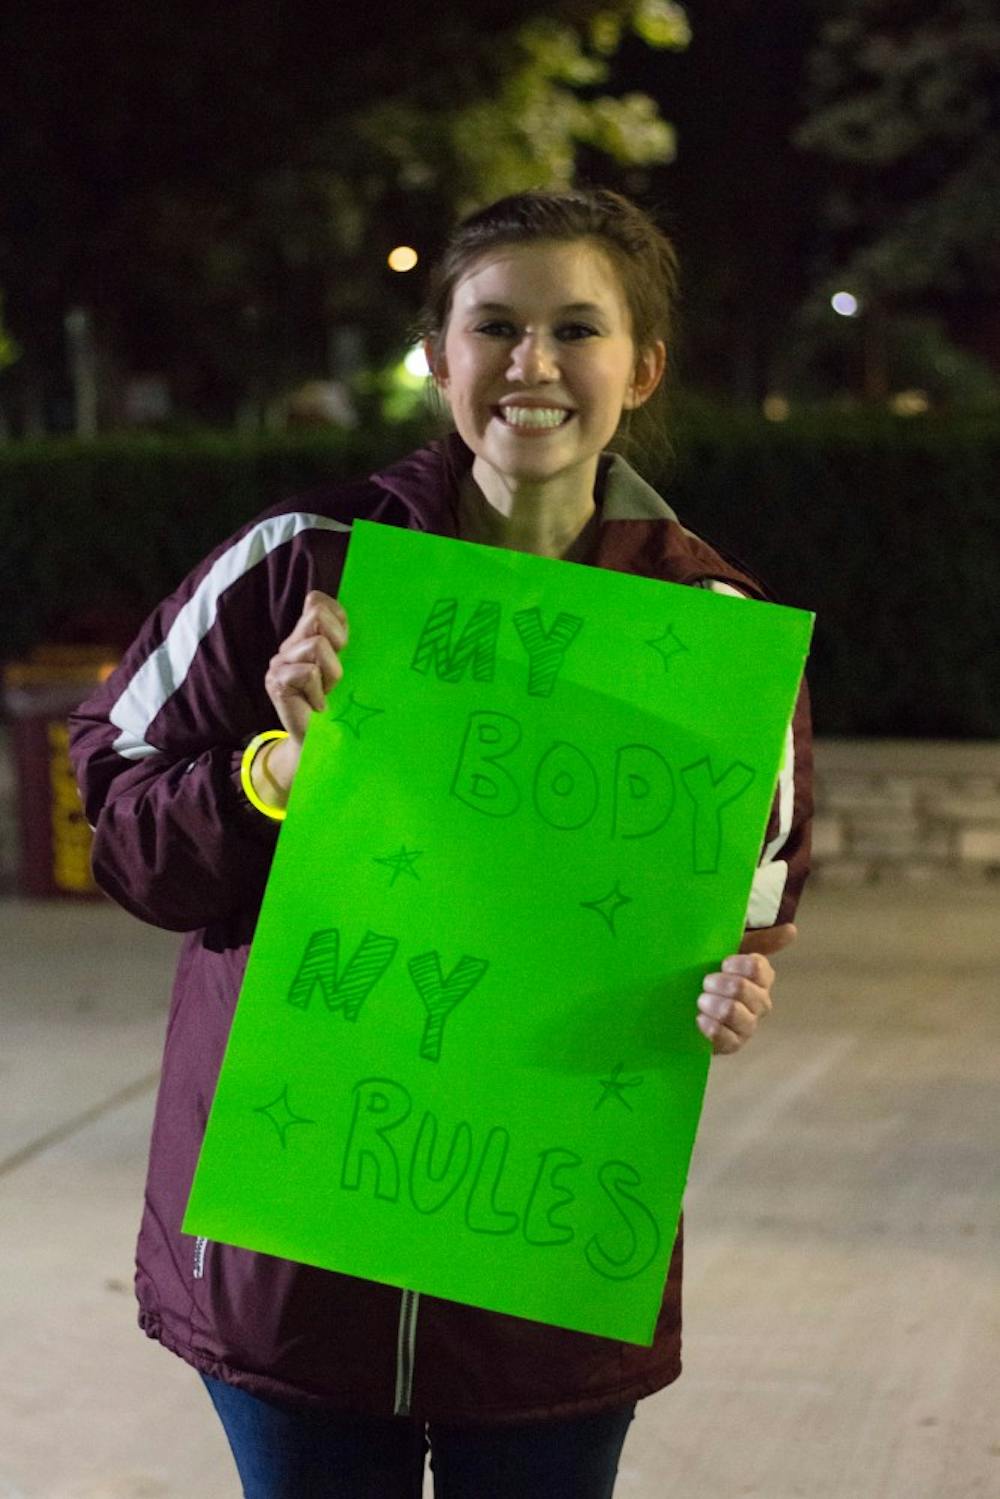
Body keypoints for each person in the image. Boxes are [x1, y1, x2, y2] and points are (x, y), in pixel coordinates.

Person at [69, 187, 812, 1499]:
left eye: (576, 329)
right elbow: (119, 822)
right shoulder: (300, 565)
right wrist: (272, 774)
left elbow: (753, 902)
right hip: (297, 1263)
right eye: (496, 327)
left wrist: (728, 988)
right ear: (439, 356)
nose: (534, 365)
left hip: (546, 1280)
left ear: (642, 367)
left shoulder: (710, 635)